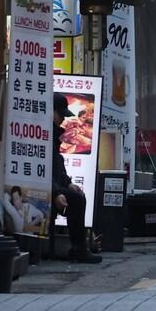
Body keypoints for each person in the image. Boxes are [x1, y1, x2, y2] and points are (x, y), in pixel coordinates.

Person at [51, 96, 101, 263]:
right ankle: (79, 249)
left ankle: (79, 247)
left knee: (78, 196)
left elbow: (57, 166)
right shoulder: (44, 134)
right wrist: (56, 192)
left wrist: (68, 183)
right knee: (77, 200)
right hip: (43, 187)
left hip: (54, 185)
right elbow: (43, 170)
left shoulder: (55, 133)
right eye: (60, 114)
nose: (64, 119)